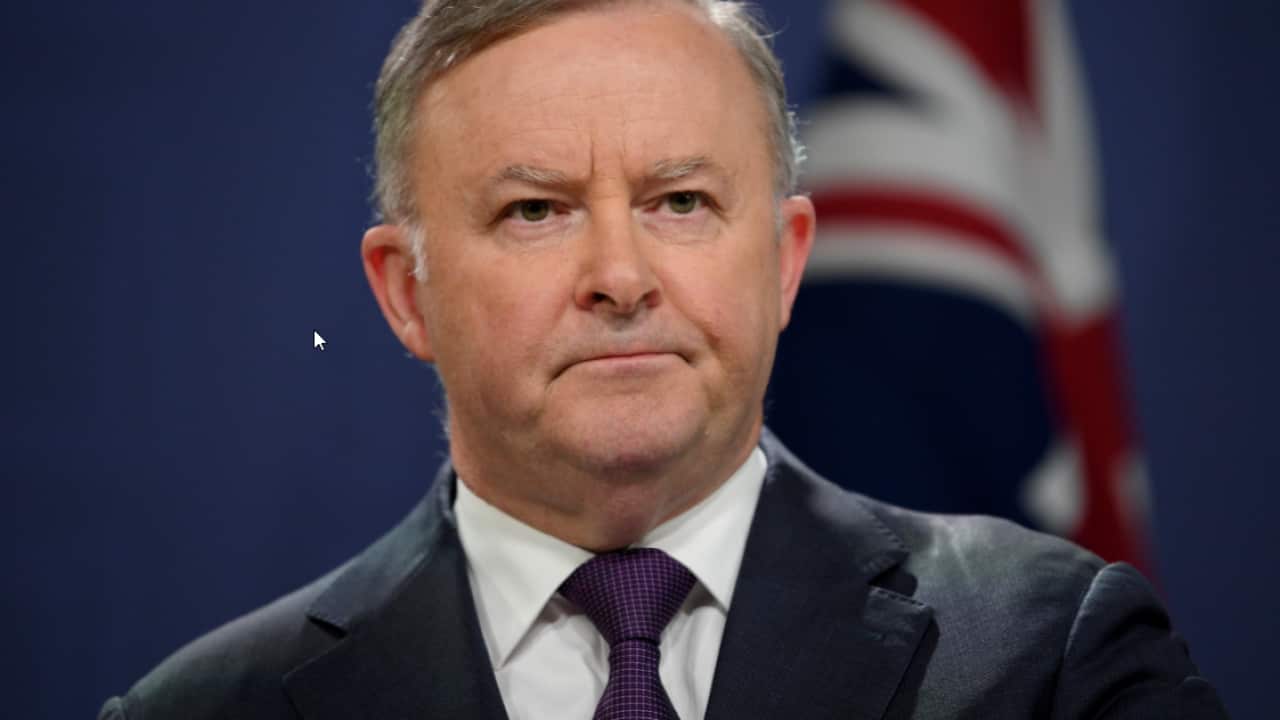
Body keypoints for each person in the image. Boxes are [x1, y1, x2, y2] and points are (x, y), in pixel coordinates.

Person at [99, 1, 1229, 718]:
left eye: (681, 201)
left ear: (783, 264)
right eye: (535, 210)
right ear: (408, 293)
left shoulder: (1051, 660)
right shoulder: (202, 710)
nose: (622, 275)